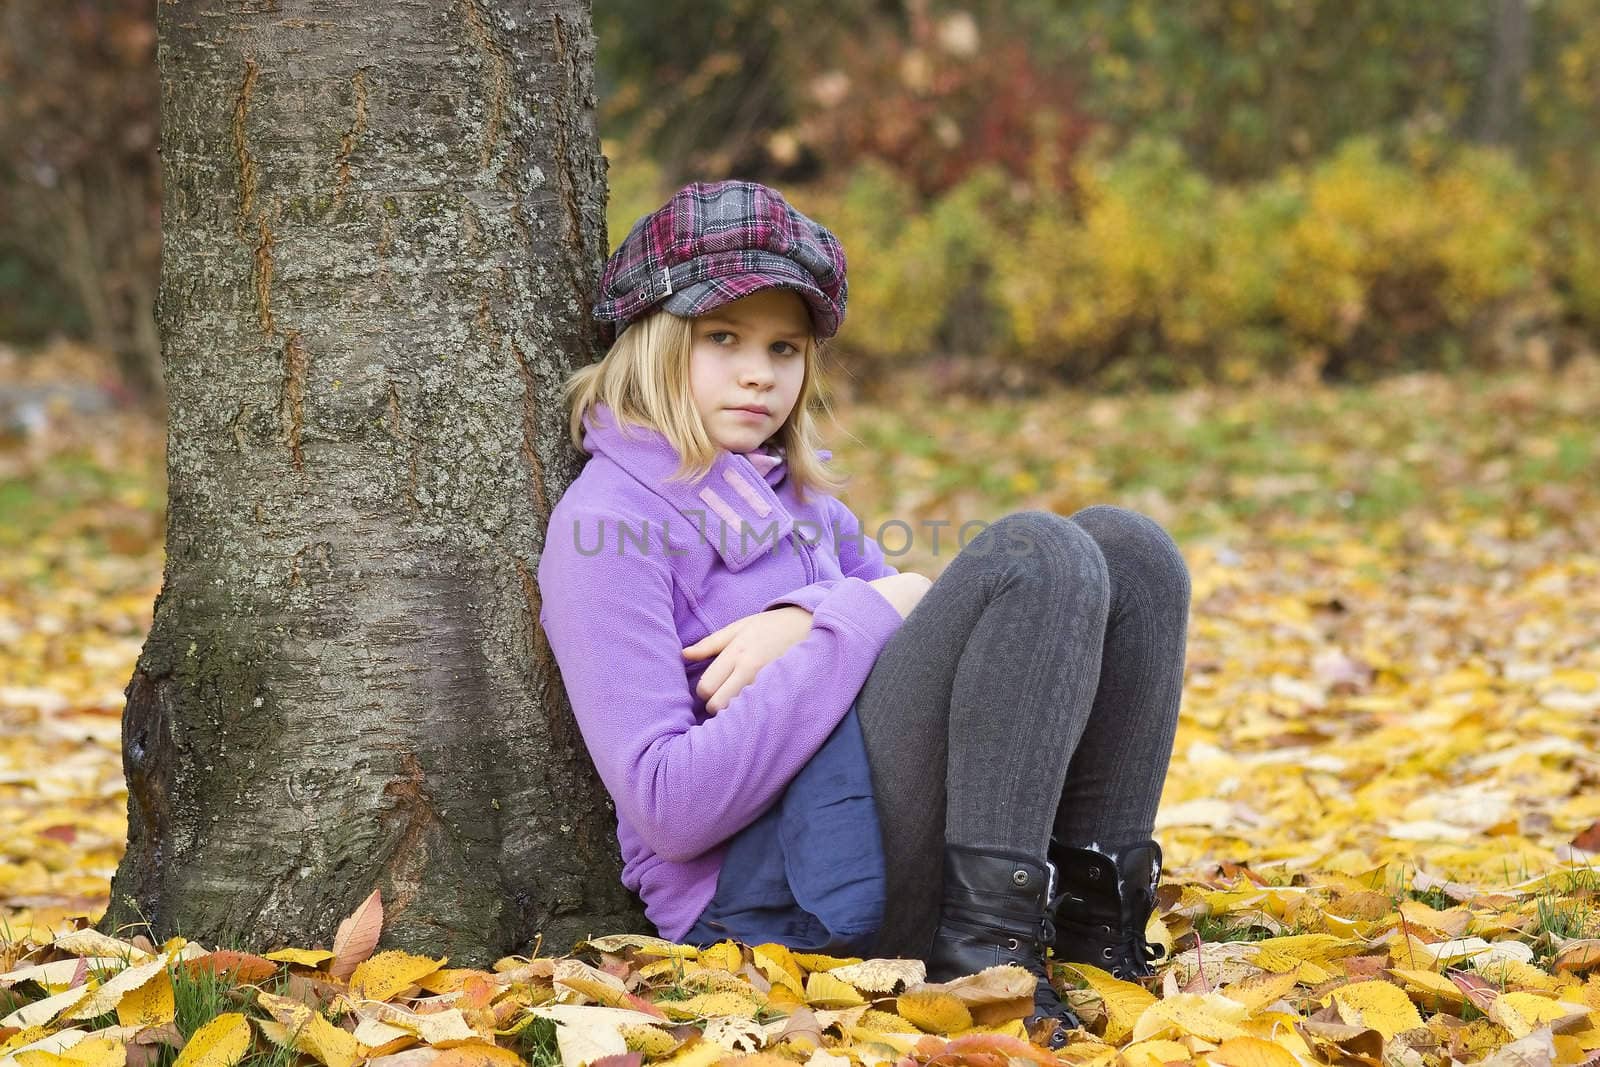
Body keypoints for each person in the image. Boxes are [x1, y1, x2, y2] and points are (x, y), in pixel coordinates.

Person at [536, 179, 1191, 1047]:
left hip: (867, 829)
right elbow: (668, 805)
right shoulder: (608, 524)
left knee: (1131, 549)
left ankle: (1093, 929)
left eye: (785, 346)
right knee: (1036, 551)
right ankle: (984, 955)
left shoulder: (798, 500)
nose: (758, 373)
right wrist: (840, 622)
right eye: (721, 337)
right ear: (652, 341)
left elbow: (896, 624)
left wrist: (811, 614)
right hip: (771, 899)